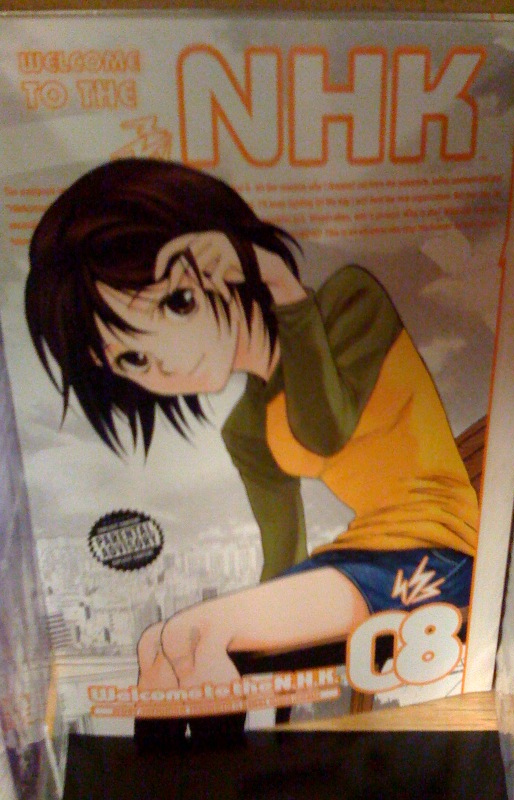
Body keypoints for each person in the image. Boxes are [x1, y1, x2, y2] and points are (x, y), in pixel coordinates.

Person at [26, 158, 478, 705]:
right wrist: (267, 629)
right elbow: (282, 550)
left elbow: (324, 431)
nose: (160, 365)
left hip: (443, 551)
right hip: (357, 557)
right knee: (156, 644)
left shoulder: (349, 302)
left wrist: (284, 289)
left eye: (174, 305)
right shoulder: (245, 428)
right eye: (131, 359)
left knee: (195, 633)